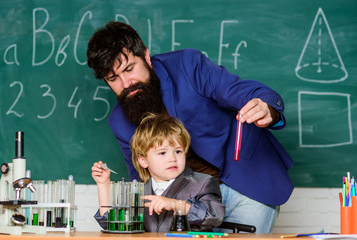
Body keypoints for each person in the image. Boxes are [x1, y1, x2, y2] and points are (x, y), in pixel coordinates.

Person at [87, 21, 294, 233]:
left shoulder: (187, 64)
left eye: (129, 69)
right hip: (193, 202)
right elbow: (141, 180)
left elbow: (238, 90)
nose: (126, 83)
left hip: (248, 184)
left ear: (146, 57)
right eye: (113, 78)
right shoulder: (119, 122)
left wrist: (267, 107)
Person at [92, 114, 225, 232]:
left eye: (178, 151)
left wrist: (175, 204)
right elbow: (112, 225)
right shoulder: (137, 190)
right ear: (143, 161)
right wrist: (103, 185)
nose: (172, 158)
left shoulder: (203, 182)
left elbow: (214, 217)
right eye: (162, 153)